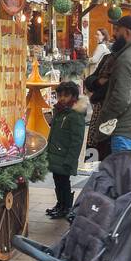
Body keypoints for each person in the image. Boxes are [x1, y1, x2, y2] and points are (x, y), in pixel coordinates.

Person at [94, 15, 131, 154]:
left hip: (124, 132)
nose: (114, 34)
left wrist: (104, 118)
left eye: (117, 30)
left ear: (126, 32)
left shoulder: (127, 58)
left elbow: (120, 100)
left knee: (123, 174)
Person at [45, 80, 87, 219]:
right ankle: (60, 204)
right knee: (58, 180)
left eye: (66, 95)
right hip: (56, 154)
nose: (62, 98)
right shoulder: (60, 111)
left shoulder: (75, 114)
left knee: (64, 182)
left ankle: (66, 207)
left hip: (65, 156)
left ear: (74, 96)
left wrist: (71, 159)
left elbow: (77, 140)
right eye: (60, 95)